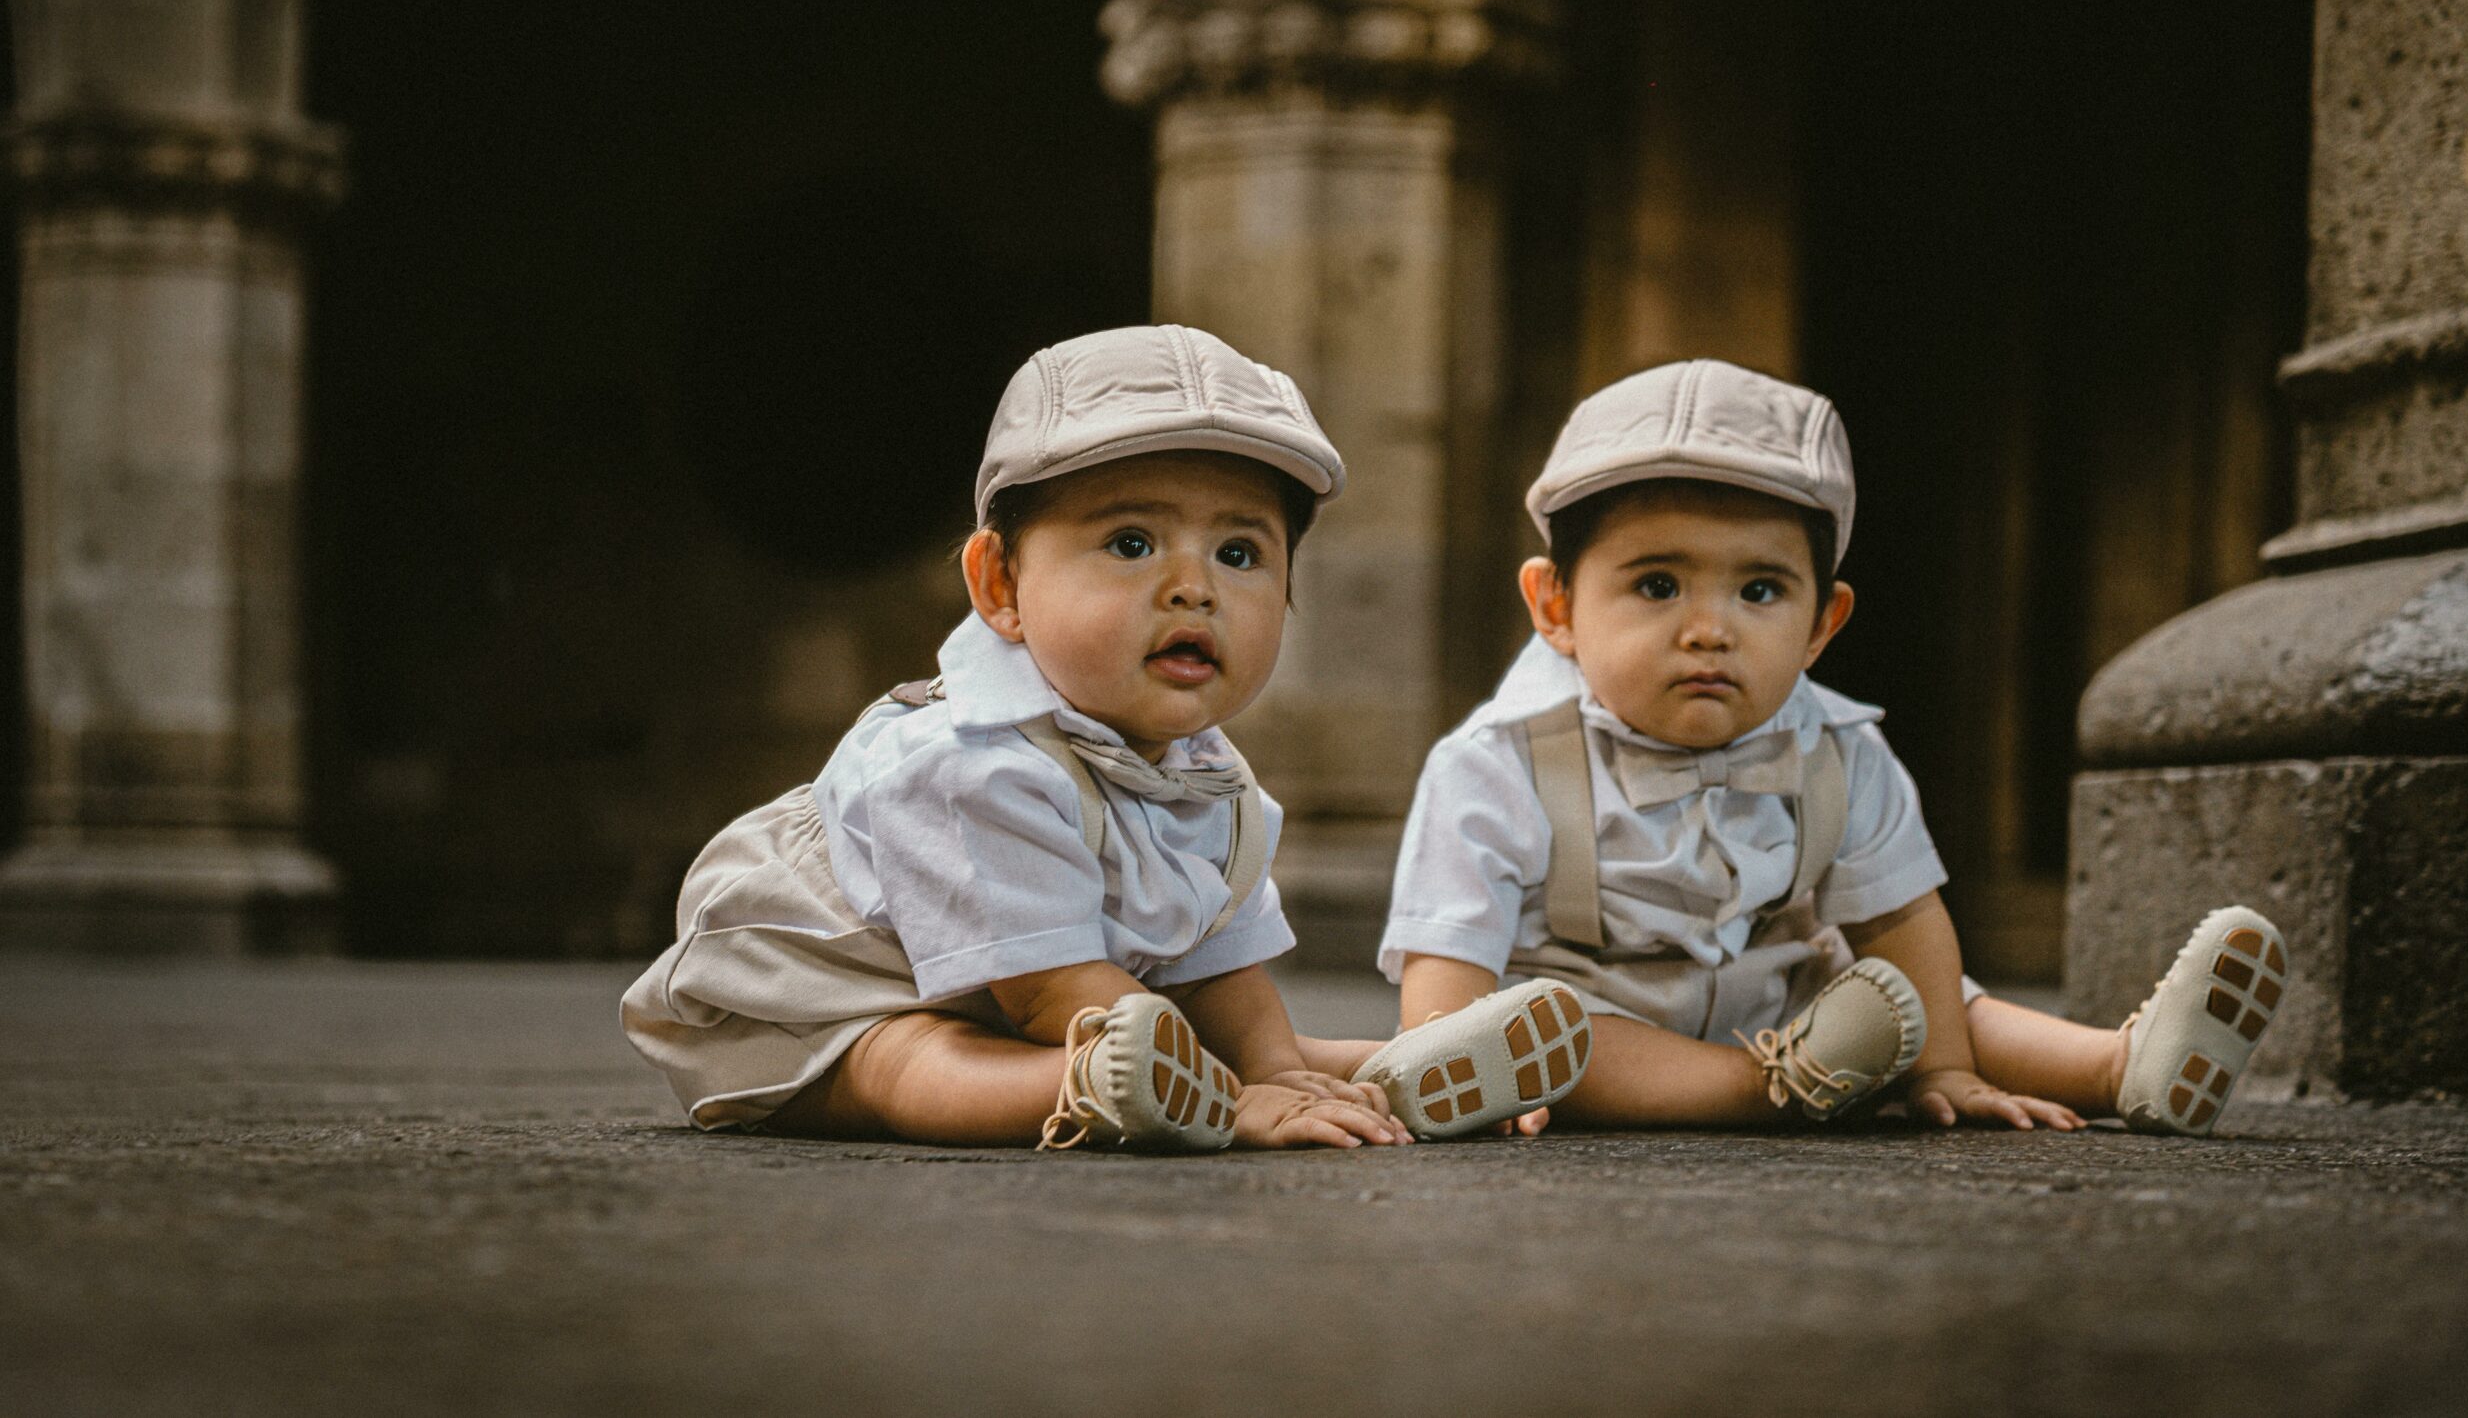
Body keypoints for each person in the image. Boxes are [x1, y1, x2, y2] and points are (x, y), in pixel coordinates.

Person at [622, 324, 1588, 1152]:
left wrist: (1269, 1067)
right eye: (1132, 542)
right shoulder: (969, 760)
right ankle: (1105, 1090)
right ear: (1000, 586)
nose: (1194, 585)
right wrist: (1240, 1099)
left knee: (1246, 1045)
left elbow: (1224, 967)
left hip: (1060, 999)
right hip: (833, 994)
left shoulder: (1212, 777)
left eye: (1240, 552)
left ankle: (1387, 1074)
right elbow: (1050, 994)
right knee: (908, 1062)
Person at [1379, 358, 2287, 1135]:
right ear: (1557, 608)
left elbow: (1902, 918)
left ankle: (2121, 1066)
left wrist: (1943, 1069)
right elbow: (1446, 968)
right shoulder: (1498, 761)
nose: (1709, 629)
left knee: (1926, 997)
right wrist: (1463, 1067)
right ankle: (1765, 1092)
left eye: (1761, 591)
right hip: (1601, 1022)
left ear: (1824, 623)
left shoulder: (1839, 747)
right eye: (1658, 584)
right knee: (1565, 1031)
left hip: (1790, 1002)